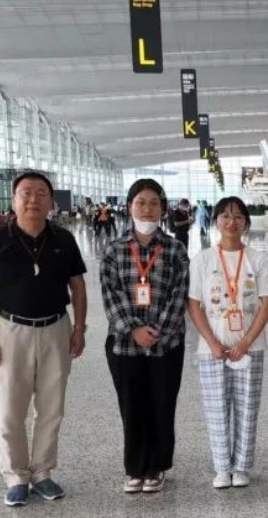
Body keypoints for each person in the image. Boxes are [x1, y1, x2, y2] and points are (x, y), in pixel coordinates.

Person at [0, 171, 88, 507]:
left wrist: (79, 328)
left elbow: (78, 286)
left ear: (51, 202)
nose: (32, 199)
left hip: (56, 328)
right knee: (11, 409)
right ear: (14, 200)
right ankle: (16, 476)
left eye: (40, 193)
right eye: (25, 193)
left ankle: (42, 472)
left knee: (51, 407)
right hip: (10, 331)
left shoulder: (63, 239)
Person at [101, 179, 189, 495]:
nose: (147, 209)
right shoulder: (114, 249)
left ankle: (157, 466)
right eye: (141, 202)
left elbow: (180, 293)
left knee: (162, 404)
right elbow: (110, 294)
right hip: (124, 345)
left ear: (163, 209)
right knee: (132, 406)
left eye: (153, 203)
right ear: (129, 207)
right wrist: (134, 329)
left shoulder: (176, 249)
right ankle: (135, 468)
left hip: (167, 345)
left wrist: (159, 331)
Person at [188, 196, 268, 489]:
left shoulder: (258, 259)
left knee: (247, 409)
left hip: (250, 348)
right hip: (212, 350)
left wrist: (246, 342)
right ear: (216, 221)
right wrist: (212, 343)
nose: (231, 222)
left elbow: (267, 304)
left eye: (238, 216)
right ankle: (221, 468)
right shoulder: (203, 260)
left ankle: (241, 467)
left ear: (246, 223)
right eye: (225, 216)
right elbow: (194, 305)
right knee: (216, 410)